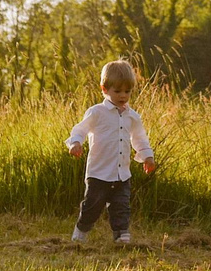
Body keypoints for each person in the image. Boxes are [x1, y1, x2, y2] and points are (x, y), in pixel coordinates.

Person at [66, 59, 157, 243]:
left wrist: (148, 156)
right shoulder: (97, 112)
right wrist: (75, 143)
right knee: (92, 206)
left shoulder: (133, 116)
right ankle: (81, 231)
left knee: (121, 206)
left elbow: (139, 138)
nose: (123, 95)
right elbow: (80, 129)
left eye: (127, 91)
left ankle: (121, 235)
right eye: (118, 91)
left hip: (122, 174)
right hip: (99, 173)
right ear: (104, 89)